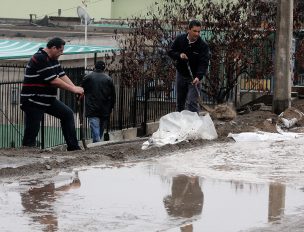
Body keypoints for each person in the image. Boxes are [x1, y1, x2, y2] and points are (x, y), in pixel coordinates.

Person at [20, 37, 84, 151]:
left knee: (67, 114)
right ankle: (26, 153)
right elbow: (54, 80)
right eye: (60, 51)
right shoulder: (39, 58)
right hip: (33, 100)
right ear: (54, 48)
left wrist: (75, 88)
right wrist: (73, 90)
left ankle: (74, 147)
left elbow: (62, 75)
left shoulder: (53, 59)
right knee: (32, 131)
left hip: (47, 100)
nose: (61, 53)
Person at [168, 19, 210, 113]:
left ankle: (194, 126)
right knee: (180, 103)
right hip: (181, 74)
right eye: (194, 31)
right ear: (189, 30)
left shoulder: (203, 46)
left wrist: (198, 77)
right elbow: (170, 52)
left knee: (192, 102)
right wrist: (179, 55)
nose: (197, 34)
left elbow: (203, 63)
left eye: (199, 31)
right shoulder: (180, 39)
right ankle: (180, 125)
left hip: (194, 78)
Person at [81, 60, 116, 143]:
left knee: (95, 127)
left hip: (92, 107)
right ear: (104, 68)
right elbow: (113, 95)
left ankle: (97, 143)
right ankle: (98, 144)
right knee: (101, 128)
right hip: (104, 108)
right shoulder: (108, 79)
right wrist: (111, 107)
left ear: (95, 66)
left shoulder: (88, 77)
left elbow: (81, 89)